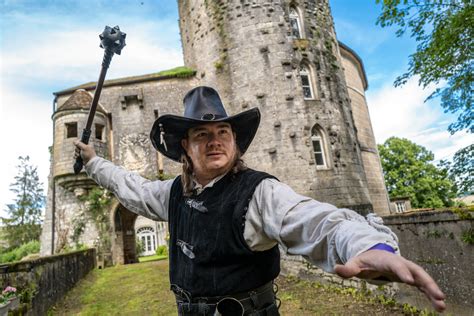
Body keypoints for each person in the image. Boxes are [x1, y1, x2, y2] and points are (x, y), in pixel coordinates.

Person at [75, 86, 446, 315]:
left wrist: (370, 245)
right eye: (202, 134)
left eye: (223, 131)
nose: (215, 140)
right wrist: (93, 162)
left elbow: (315, 220)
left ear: (235, 142)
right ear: (185, 148)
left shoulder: (259, 193)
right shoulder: (172, 193)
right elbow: (130, 188)